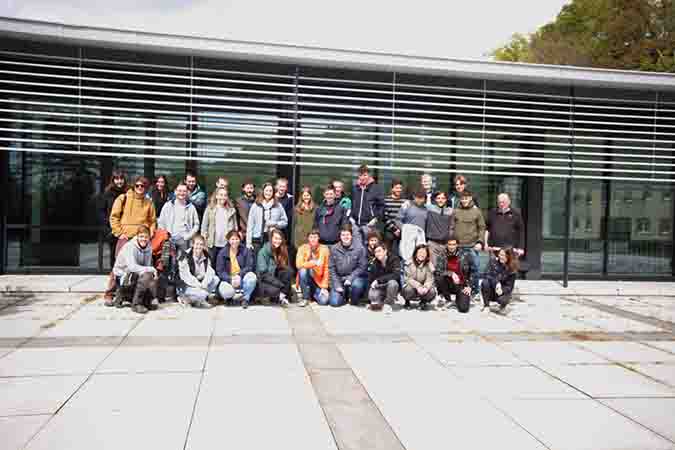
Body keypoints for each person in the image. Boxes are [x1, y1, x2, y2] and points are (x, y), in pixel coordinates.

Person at [105, 176, 157, 303]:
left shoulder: (148, 202)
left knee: (140, 267)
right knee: (119, 266)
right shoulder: (123, 198)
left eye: (143, 186)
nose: (140, 188)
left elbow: (152, 221)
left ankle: (132, 294)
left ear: (146, 188)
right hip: (126, 237)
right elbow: (114, 217)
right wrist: (119, 232)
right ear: (134, 186)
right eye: (137, 185)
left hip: (141, 239)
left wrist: (149, 235)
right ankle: (109, 294)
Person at [111, 225, 159, 314]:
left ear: (149, 237)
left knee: (149, 276)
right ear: (137, 236)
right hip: (123, 275)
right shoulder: (130, 246)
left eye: (146, 237)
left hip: (136, 274)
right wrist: (151, 269)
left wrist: (151, 272)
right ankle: (136, 304)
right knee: (147, 275)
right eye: (141, 236)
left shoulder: (149, 247)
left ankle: (141, 299)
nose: (143, 239)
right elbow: (132, 267)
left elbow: (147, 266)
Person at [454, 190, 486, 300]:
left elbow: (482, 228)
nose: (464, 200)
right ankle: (459, 291)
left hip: (473, 245)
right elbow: (451, 227)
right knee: (459, 269)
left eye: (466, 198)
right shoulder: (456, 211)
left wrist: (480, 242)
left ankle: (475, 291)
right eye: (462, 198)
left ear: (470, 198)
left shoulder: (477, 211)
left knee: (475, 269)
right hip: (459, 246)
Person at [328, 225, 368, 307]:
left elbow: (362, 266)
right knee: (334, 303)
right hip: (339, 279)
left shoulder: (360, 248)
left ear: (351, 236)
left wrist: (350, 278)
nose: (345, 237)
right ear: (340, 236)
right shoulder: (334, 249)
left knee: (357, 285)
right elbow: (331, 268)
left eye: (347, 235)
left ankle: (353, 299)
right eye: (343, 235)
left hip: (354, 278)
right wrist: (337, 285)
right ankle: (344, 294)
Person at [216, 230, 257, 308]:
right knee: (226, 291)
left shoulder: (245, 250)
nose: (234, 241)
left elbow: (249, 266)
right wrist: (230, 278)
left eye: (236, 239)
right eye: (232, 239)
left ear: (240, 239)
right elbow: (220, 271)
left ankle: (245, 299)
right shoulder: (222, 253)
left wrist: (239, 275)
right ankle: (229, 298)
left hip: (241, 279)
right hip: (229, 280)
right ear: (228, 240)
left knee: (252, 276)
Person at [175, 235, 217, 309]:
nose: (199, 246)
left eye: (201, 244)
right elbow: (185, 276)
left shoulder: (207, 255)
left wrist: (204, 283)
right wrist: (199, 285)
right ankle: (184, 297)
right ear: (192, 244)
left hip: (200, 283)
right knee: (203, 294)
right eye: (197, 244)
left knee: (216, 279)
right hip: (185, 285)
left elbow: (210, 272)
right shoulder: (184, 256)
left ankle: (195, 300)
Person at [247, 182, 288, 255]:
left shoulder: (278, 205)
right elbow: (250, 224)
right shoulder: (256, 205)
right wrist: (248, 242)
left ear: (273, 193)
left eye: (270, 191)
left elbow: (285, 222)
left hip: (272, 239)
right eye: (266, 190)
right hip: (257, 239)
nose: (268, 193)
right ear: (263, 191)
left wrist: (275, 224)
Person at [158, 183, 200, 254]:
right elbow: (160, 222)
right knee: (167, 263)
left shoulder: (191, 207)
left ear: (187, 192)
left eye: (184, 191)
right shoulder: (168, 205)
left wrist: (188, 236)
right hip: (168, 241)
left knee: (183, 263)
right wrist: (165, 236)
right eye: (179, 190)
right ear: (175, 191)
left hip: (184, 241)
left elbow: (196, 225)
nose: (182, 193)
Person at [201, 187, 238, 268]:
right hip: (212, 244)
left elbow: (235, 228)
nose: (223, 197)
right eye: (221, 195)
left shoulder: (231, 210)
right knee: (211, 265)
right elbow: (204, 226)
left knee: (224, 266)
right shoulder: (210, 209)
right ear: (216, 196)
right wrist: (204, 240)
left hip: (226, 244)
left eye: (225, 195)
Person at [350, 164, 385, 248]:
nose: (362, 177)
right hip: (356, 225)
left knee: (370, 248)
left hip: (369, 224)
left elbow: (382, 206)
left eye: (365, 175)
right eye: (360, 175)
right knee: (357, 248)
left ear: (369, 175)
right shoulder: (355, 188)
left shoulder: (376, 188)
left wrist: (375, 219)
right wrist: (351, 218)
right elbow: (351, 204)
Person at [257, 228, 294, 307]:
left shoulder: (282, 249)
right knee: (275, 290)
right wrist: (281, 285)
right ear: (271, 238)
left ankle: (281, 295)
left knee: (289, 271)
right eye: (276, 238)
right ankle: (280, 295)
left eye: (280, 239)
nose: (278, 241)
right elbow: (263, 274)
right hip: (265, 280)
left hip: (275, 277)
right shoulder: (263, 252)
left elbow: (287, 269)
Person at [98, 170, 128, 268]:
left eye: (121, 179)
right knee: (114, 253)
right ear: (113, 180)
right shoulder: (107, 193)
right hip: (112, 229)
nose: (119, 181)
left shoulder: (128, 193)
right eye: (117, 179)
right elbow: (101, 211)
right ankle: (114, 276)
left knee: (125, 254)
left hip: (126, 229)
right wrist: (108, 227)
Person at [434, 237, 473, 313]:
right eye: (450, 244)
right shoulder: (442, 255)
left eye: (454, 244)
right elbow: (438, 271)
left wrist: (469, 286)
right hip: (447, 283)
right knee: (439, 278)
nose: (451, 246)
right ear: (446, 245)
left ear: (457, 245)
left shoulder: (465, 255)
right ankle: (447, 299)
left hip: (461, 284)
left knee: (463, 309)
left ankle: (458, 299)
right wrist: (450, 273)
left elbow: (473, 271)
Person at [296, 229, 330, 307]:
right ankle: (305, 298)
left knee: (323, 301)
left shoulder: (324, 249)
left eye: (315, 237)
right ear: (308, 238)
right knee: (302, 271)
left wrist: (324, 287)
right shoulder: (302, 248)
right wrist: (314, 263)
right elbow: (299, 265)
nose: (313, 239)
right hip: (306, 279)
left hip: (318, 281)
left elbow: (326, 268)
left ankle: (312, 294)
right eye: (311, 237)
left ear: (318, 238)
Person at [481, 247, 519, 312]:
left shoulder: (512, 268)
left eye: (503, 255)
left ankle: (503, 306)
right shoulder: (493, 261)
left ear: (508, 256)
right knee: (485, 282)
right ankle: (486, 306)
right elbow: (486, 274)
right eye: (500, 254)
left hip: (501, 291)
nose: (500, 256)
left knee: (503, 299)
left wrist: (502, 290)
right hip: (492, 288)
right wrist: (496, 283)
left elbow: (510, 287)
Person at [398, 188, 428, 264]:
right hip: (407, 240)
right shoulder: (407, 205)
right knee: (406, 261)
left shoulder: (426, 209)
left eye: (422, 198)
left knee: (419, 261)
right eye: (418, 198)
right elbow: (397, 220)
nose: (420, 200)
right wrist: (405, 229)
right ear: (414, 197)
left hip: (420, 241)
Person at [401, 244, 436, 310]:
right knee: (407, 290)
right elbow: (408, 278)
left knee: (432, 291)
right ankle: (407, 301)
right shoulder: (409, 263)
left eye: (424, 253)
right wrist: (418, 286)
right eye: (419, 252)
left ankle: (423, 301)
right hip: (412, 286)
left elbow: (430, 279)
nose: (421, 255)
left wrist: (426, 287)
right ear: (416, 253)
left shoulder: (429, 264)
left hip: (423, 287)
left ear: (427, 255)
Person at [367, 243, 401, 312]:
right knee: (372, 296)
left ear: (385, 251)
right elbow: (370, 279)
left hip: (390, 285)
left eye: (379, 251)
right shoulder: (374, 262)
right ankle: (381, 301)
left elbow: (396, 274)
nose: (377, 254)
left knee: (393, 283)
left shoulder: (394, 259)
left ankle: (388, 304)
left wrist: (378, 280)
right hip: (380, 286)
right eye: (375, 252)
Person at [426, 190, 455, 264]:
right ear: (435, 199)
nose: (440, 200)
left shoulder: (450, 211)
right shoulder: (429, 208)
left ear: (446, 199)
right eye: (438, 198)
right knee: (433, 266)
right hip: (432, 243)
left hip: (445, 244)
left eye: (443, 198)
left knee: (444, 266)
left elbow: (452, 226)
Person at [383, 179, 405, 257]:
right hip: (389, 231)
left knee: (401, 253)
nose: (398, 190)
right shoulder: (386, 200)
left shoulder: (405, 201)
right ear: (392, 189)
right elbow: (385, 217)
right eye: (396, 188)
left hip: (401, 231)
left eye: (400, 188)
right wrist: (394, 229)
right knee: (387, 253)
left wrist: (400, 229)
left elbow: (406, 217)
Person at [276, 177, 294, 243]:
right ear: (277, 186)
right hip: (274, 229)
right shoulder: (272, 197)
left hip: (286, 231)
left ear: (286, 188)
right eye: (280, 186)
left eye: (283, 186)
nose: (281, 188)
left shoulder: (290, 199)